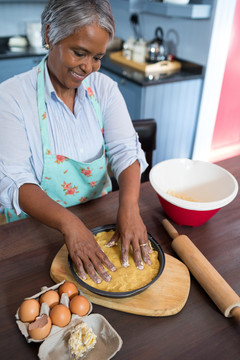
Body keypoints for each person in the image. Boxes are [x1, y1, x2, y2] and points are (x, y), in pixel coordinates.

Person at [0, 0, 152, 284]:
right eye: (79, 53)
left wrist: (129, 207)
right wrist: (69, 224)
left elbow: (124, 150)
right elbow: (13, 179)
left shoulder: (103, 89)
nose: (88, 68)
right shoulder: (11, 98)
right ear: (49, 35)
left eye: (97, 57)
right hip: (33, 234)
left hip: (98, 220)